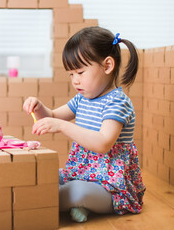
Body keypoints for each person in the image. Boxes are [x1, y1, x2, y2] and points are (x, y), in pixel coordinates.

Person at [23, 26, 146, 222]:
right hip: (80, 173)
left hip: (110, 187)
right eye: (71, 74)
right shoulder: (82, 100)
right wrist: (38, 107)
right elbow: (53, 115)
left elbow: (103, 143)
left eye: (80, 72)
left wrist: (63, 126)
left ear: (107, 66)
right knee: (46, 176)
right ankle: (75, 205)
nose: (75, 81)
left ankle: (35, 204)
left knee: (76, 190)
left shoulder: (117, 102)